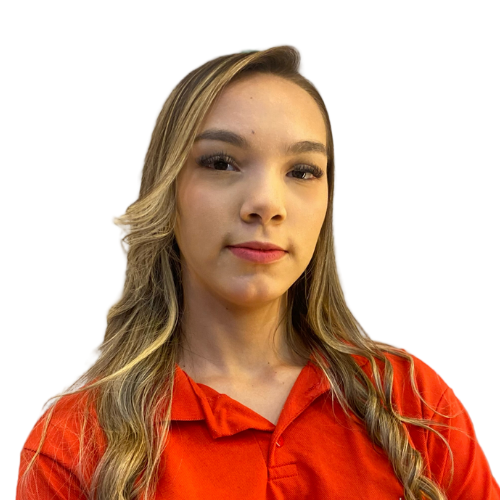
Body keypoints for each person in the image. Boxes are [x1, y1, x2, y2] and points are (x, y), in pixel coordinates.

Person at [16, 45, 499, 500]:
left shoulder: (413, 403)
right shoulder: (75, 443)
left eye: (302, 171)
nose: (266, 203)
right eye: (221, 163)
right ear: (167, 189)